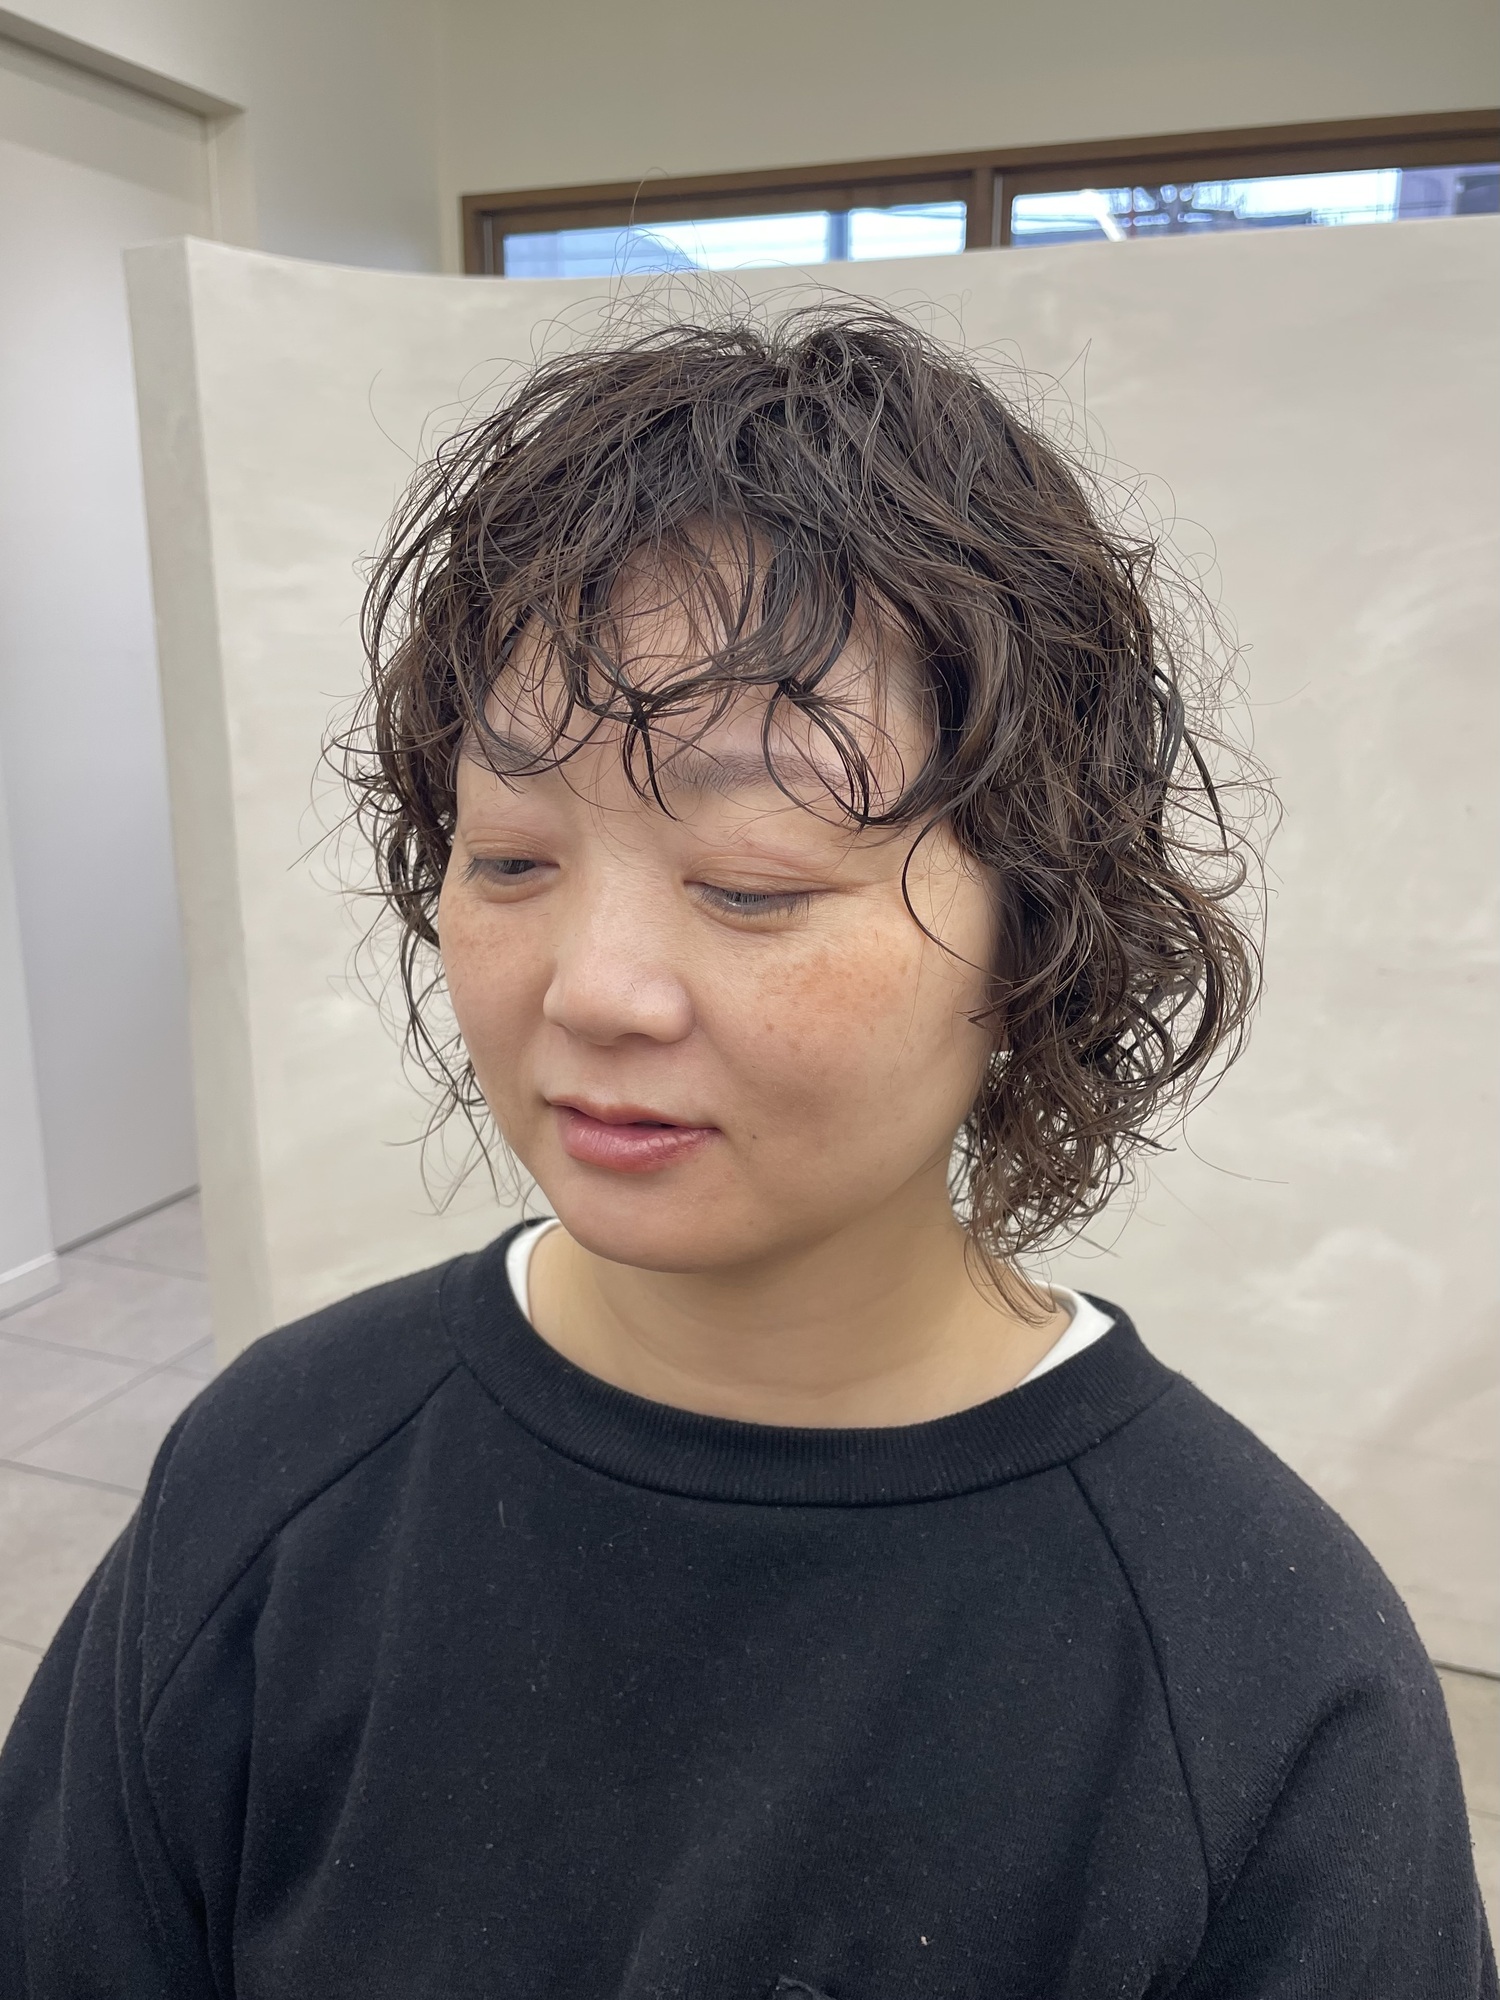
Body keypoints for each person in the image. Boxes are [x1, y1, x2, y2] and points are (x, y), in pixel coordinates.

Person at [0, 309, 1490, 1999]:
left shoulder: (1262, 1677)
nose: (592, 990)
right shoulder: (279, 1470)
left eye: (750, 884)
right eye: (509, 860)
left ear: (1038, 931)